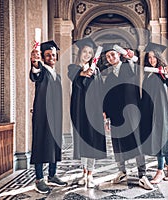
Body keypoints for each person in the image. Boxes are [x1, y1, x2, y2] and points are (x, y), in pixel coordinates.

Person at [102, 44, 153, 190]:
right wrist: (106, 115)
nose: (111, 58)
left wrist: (131, 58)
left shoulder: (128, 68)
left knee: (137, 141)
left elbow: (134, 66)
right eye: (108, 57)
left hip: (133, 112)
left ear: (118, 55)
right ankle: (122, 171)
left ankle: (142, 175)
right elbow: (107, 97)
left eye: (113, 55)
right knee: (117, 143)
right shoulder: (109, 76)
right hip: (116, 115)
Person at [68, 37, 106, 188]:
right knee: (83, 143)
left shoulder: (96, 70)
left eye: (90, 52)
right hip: (79, 111)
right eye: (85, 51)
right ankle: (84, 173)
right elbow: (73, 77)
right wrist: (83, 73)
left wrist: (104, 111)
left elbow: (101, 92)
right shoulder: (74, 68)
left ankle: (90, 174)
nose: (87, 54)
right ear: (80, 52)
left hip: (95, 111)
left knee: (93, 142)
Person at [30, 40, 67, 194]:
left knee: (54, 144)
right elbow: (35, 73)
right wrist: (34, 61)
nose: (51, 57)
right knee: (40, 143)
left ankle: (52, 175)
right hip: (42, 115)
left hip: (55, 116)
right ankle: (39, 178)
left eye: (53, 55)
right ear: (43, 58)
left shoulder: (56, 75)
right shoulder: (42, 71)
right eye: (47, 55)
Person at [140, 42, 168, 184]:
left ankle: (160, 171)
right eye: (149, 57)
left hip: (161, 110)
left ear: (159, 58)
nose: (151, 60)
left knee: (160, 138)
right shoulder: (148, 74)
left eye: (154, 57)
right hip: (150, 111)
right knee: (160, 138)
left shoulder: (163, 72)